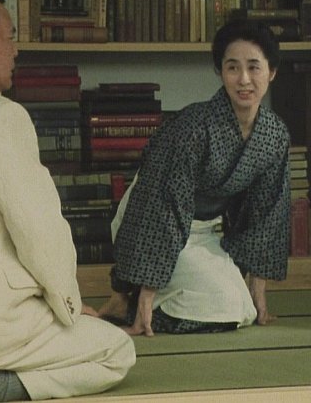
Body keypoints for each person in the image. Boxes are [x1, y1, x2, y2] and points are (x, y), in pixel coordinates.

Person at [0, 0, 135, 402]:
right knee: (116, 351)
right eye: (9, 37)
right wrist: (69, 310)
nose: (16, 50)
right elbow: (40, 234)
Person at [98, 19, 291, 336]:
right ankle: (131, 304)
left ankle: (138, 301)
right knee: (225, 306)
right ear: (220, 72)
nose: (244, 79)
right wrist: (142, 289)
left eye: (254, 67)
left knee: (242, 310)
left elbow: (266, 215)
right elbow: (161, 203)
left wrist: (259, 295)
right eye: (232, 67)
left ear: (271, 72)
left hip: (204, 230)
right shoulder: (192, 127)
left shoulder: (274, 135)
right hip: (148, 217)